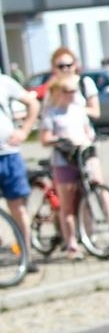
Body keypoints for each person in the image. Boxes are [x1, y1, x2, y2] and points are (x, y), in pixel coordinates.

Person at [38, 74, 99, 260]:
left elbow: (87, 131)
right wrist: (61, 140)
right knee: (67, 206)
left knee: (86, 199)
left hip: (81, 159)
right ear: (57, 92)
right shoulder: (51, 113)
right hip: (63, 162)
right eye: (67, 91)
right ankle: (71, 244)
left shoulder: (78, 109)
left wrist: (89, 140)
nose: (72, 94)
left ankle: (88, 237)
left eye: (75, 90)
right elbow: (44, 139)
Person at [0, 69, 41, 273]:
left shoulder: (4, 82)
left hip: (9, 154)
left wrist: (24, 131)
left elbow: (33, 103)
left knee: (18, 207)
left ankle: (27, 255)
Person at [47, 47, 100, 123]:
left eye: (69, 65)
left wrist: (72, 110)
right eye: (61, 66)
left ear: (75, 65)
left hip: (82, 130)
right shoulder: (52, 86)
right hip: (58, 130)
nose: (65, 69)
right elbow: (46, 111)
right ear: (54, 67)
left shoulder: (85, 82)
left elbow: (96, 112)